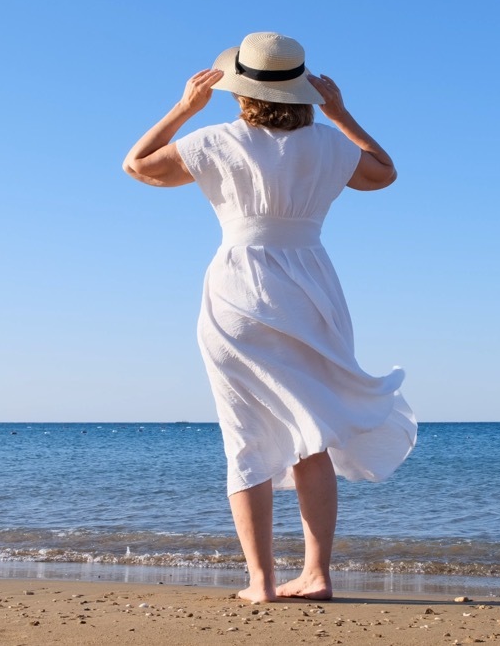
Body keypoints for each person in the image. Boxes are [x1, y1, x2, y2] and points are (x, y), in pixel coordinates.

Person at [123, 32, 417, 604]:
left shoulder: (217, 138)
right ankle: (317, 575)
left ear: (239, 91)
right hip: (312, 288)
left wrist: (184, 108)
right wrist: (343, 113)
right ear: (304, 90)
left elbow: (138, 167)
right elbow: (384, 172)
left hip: (238, 290)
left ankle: (260, 582)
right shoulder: (330, 145)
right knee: (313, 434)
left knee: (245, 436)